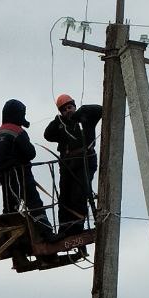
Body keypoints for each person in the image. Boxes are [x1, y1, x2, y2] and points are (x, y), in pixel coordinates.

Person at [0, 98, 53, 240]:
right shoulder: (17, 131)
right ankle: (47, 234)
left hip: (3, 177)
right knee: (34, 204)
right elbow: (31, 153)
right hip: (20, 175)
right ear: (18, 114)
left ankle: (9, 237)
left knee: (9, 207)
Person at [43, 93, 103, 237]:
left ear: (75, 106)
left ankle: (77, 226)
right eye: (64, 109)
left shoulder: (86, 118)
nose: (68, 110)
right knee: (64, 196)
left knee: (79, 193)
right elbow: (47, 134)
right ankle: (64, 229)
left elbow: (102, 109)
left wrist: (83, 111)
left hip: (85, 161)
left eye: (70, 107)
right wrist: (59, 120)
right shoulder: (60, 125)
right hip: (67, 163)